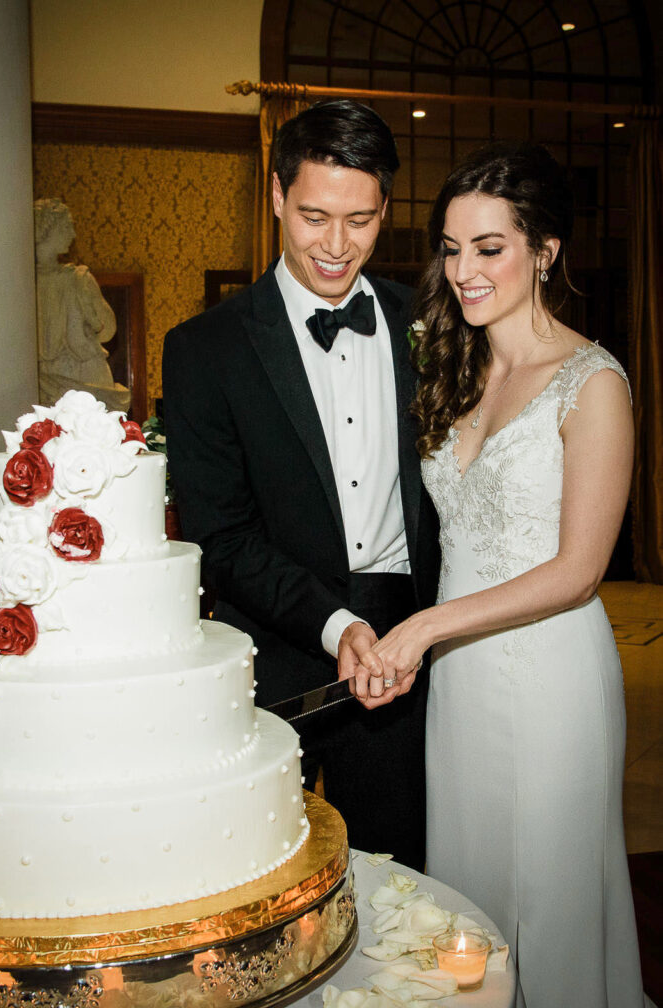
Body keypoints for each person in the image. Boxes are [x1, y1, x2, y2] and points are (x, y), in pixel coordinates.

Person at [339, 142, 651, 1008]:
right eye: (450, 247)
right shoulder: (457, 366)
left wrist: (427, 628)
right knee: (468, 888)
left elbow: (578, 570)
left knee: (548, 890)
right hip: (461, 678)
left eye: (489, 247)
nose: (464, 270)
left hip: (551, 672)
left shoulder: (593, 385)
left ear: (544, 251)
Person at [162, 100, 439, 869]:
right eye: (315, 216)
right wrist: (333, 624)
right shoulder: (203, 350)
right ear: (278, 195)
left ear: (386, 207)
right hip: (275, 645)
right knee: (257, 871)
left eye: (361, 220)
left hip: (404, 646)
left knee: (396, 875)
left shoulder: (431, 326)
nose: (336, 245)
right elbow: (219, 536)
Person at [33, 198, 131, 413]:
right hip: (84, 372)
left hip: (64, 375)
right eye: (67, 226)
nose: (73, 234)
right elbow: (107, 330)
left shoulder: (23, 286)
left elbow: (106, 331)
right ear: (48, 228)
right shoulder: (77, 279)